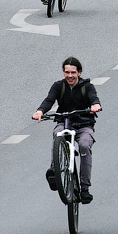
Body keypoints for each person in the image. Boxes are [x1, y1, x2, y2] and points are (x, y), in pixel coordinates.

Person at [32, 57, 102, 204]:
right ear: (63, 72)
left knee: (84, 145)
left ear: (79, 72)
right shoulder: (58, 86)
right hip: (64, 122)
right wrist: (40, 111)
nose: (70, 76)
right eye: (67, 72)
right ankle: (54, 171)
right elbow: (49, 100)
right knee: (58, 134)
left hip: (84, 124)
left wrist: (95, 105)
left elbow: (94, 98)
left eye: (73, 72)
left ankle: (84, 188)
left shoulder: (87, 87)